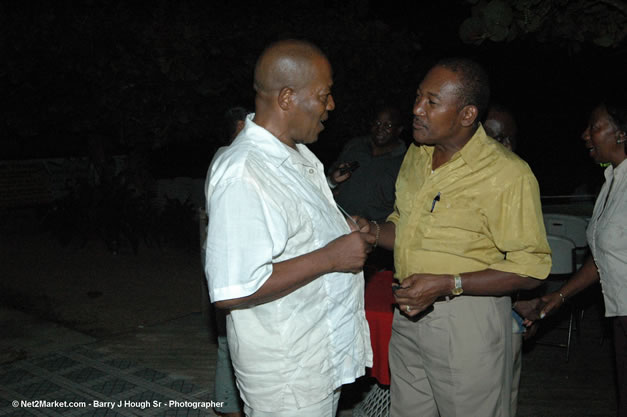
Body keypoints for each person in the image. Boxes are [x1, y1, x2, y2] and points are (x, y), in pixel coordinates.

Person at [371, 58, 552, 417]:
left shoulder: (507, 175)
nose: (416, 109)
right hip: (409, 313)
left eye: (432, 102)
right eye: (418, 97)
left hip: (467, 322)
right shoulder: (417, 155)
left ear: (467, 114)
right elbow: (405, 227)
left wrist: (447, 283)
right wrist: (374, 232)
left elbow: (531, 269)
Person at [204, 39, 375, 417]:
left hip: (317, 360)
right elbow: (233, 288)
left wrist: (341, 228)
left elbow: (296, 233)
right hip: (288, 377)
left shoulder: (298, 155)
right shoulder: (244, 171)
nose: (331, 106)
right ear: (286, 98)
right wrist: (332, 256)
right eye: (324, 95)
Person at [515, 98, 627, 417]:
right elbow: (602, 259)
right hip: (620, 312)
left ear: (621, 134)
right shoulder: (611, 183)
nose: (585, 135)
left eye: (595, 127)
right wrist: (558, 297)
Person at [483, 103, 524, 417]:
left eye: (508, 139)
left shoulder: (515, 181)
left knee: (500, 401)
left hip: (501, 310)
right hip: (465, 312)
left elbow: (525, 261)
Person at [209, 106, 249, 417]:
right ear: (238, 126)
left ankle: (227, 405)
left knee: (229, 343)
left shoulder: (230, 157)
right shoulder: (231, 160)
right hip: (233, 268)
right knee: (230, 345)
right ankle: (228, 407)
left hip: (232, 264)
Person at [329, 104, 407, 222]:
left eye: (388, 125)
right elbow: (329, 181)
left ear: (399, 130)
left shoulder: (405, 162)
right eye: (377, 123)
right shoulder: (355, 146)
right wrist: (333, 181)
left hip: (372, 234)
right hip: (335, 222)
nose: (380, 128)